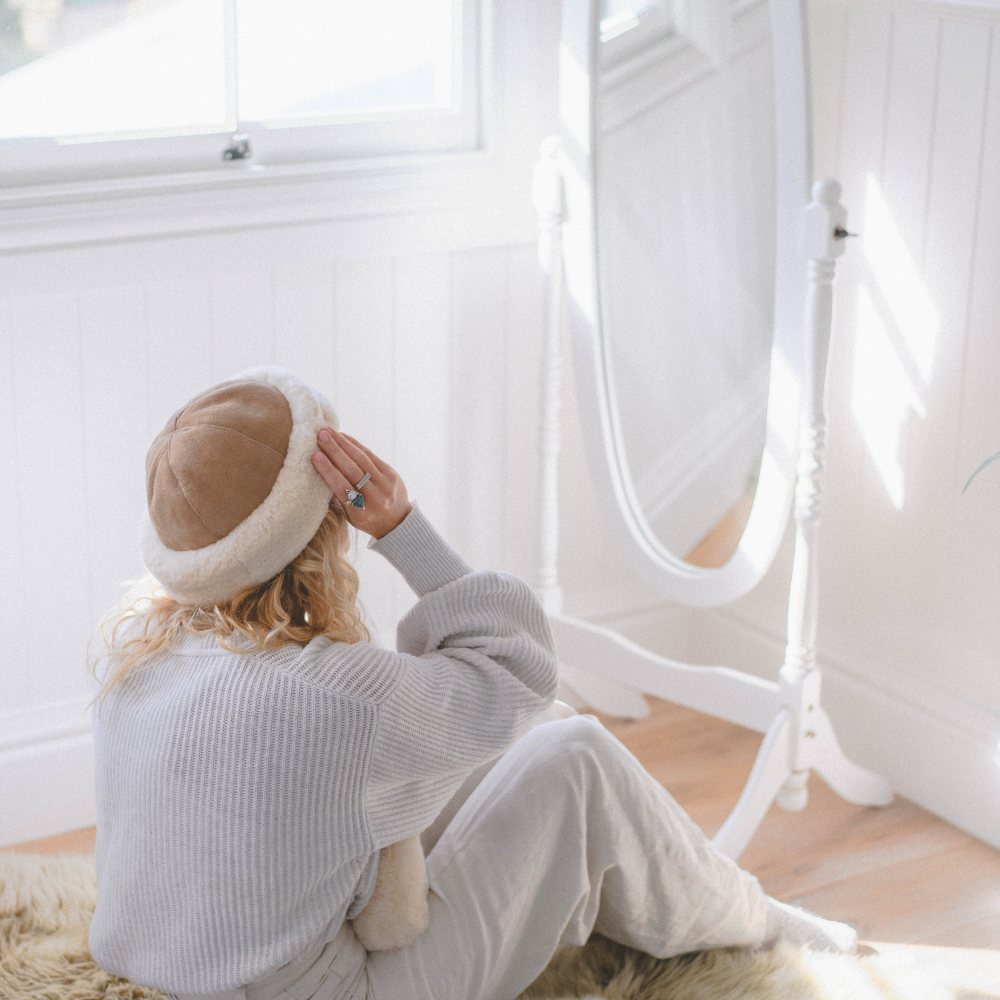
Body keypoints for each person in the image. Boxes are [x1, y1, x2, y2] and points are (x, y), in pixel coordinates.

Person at [87, 366, 856, 1000]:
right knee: (575, 751)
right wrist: (400, 526)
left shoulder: (131, 657)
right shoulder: (339, 696)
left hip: (165, 967)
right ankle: (757, 921)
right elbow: (519, 666)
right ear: (321, 522)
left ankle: (677, 886)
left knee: (533, 731)